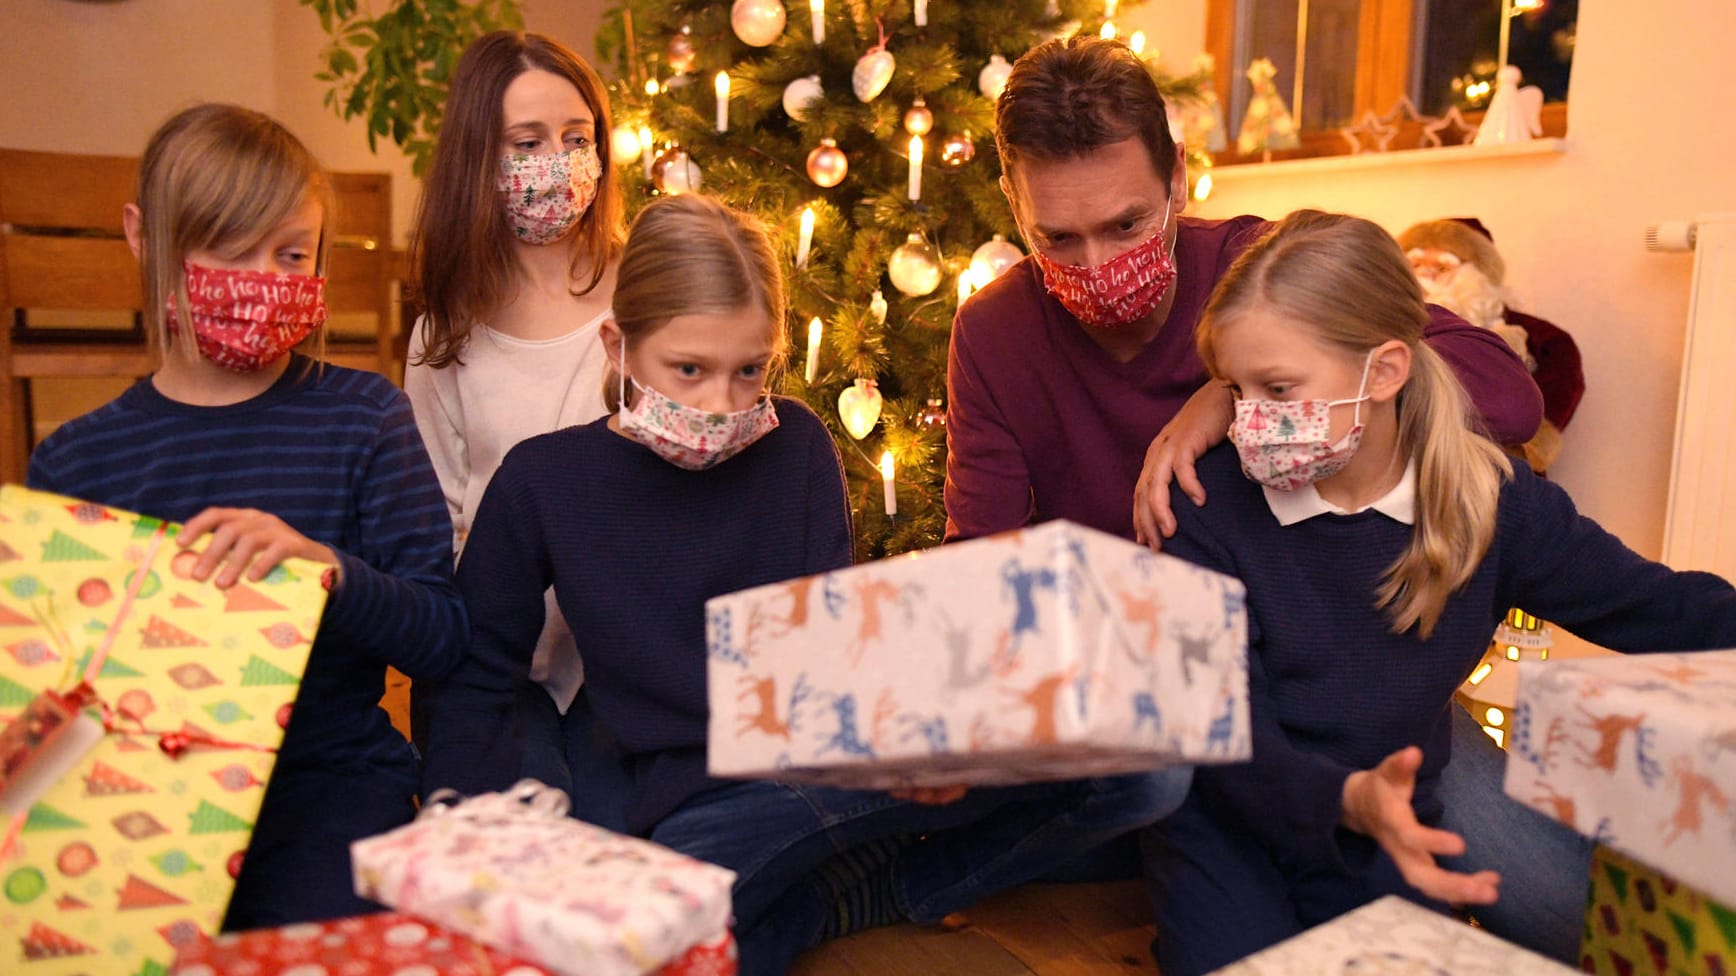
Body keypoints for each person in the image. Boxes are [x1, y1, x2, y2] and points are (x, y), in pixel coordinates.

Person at [418, 193, 1192, 976]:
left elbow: (836, 656)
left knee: (1150, 767)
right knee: (644, 951)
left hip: (834, 770)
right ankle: (826, 902)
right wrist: (475, 824)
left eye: (749, 371)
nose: (722, 405)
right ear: (619, 347)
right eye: (688, 370)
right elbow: (474, 672)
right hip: (702, 802)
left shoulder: (798, 448)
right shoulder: (546, 481)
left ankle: (894, 887)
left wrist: (920, 742)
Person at [946, 35, 1586, 962]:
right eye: (1059, 237)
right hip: (1160, 693)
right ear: (1015, 206)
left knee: (1561, 906)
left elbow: (1507, 390)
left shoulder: (1264, 269)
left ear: (1177, 186)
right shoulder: (994, 333)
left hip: (1351, 688)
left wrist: (1227, 390)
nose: (1097, 265)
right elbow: (984, 564)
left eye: (1127, 226)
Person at [1140, 210, 1736, 973]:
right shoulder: (1202, 506)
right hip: (1233, 813)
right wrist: (1345, 799)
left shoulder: (1493, 499)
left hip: (1386, 824)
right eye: (1234, 390)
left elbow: (1652, 604)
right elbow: (1225, 735)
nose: (1249, 419)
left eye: (1277, 388)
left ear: (1385, 372)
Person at [26, 103, 467, 928]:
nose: (265, 278)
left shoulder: (365, 416)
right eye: (231, 250)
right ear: (142, 236)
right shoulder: (75, 460)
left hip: (327, 783)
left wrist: (328, 571)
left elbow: (443, 634)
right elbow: (53, 699)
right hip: (137, 802)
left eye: (292, 254)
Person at [403, 30, 626, 812]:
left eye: (576, 139)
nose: (558, 163)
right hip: (500, 668)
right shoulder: (443, 336)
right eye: (527, 142)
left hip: (627, 659)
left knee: (620, 834)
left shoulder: (646, 295)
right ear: (479, 159)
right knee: (521, 829)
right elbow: (438, 524)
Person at [1399, 216, 1585, 474]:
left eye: (1442, 268)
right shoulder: (1383, 332)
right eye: (1414, 264)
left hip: (1497, 475)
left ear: (1477, 274)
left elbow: (1553, 401)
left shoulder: (1544, 341)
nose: (1424, 277)